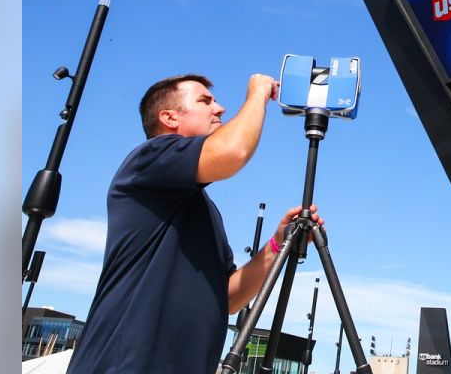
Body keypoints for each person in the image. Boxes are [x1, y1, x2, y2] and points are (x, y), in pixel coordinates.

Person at [68, 73, 321, 374]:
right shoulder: (148, 160)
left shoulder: (203, 208)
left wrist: (277, 245)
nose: (220, 109)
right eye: (205, 101)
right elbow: (232, 151)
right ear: (169, 118)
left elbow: (228, 299)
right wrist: (257, 93)